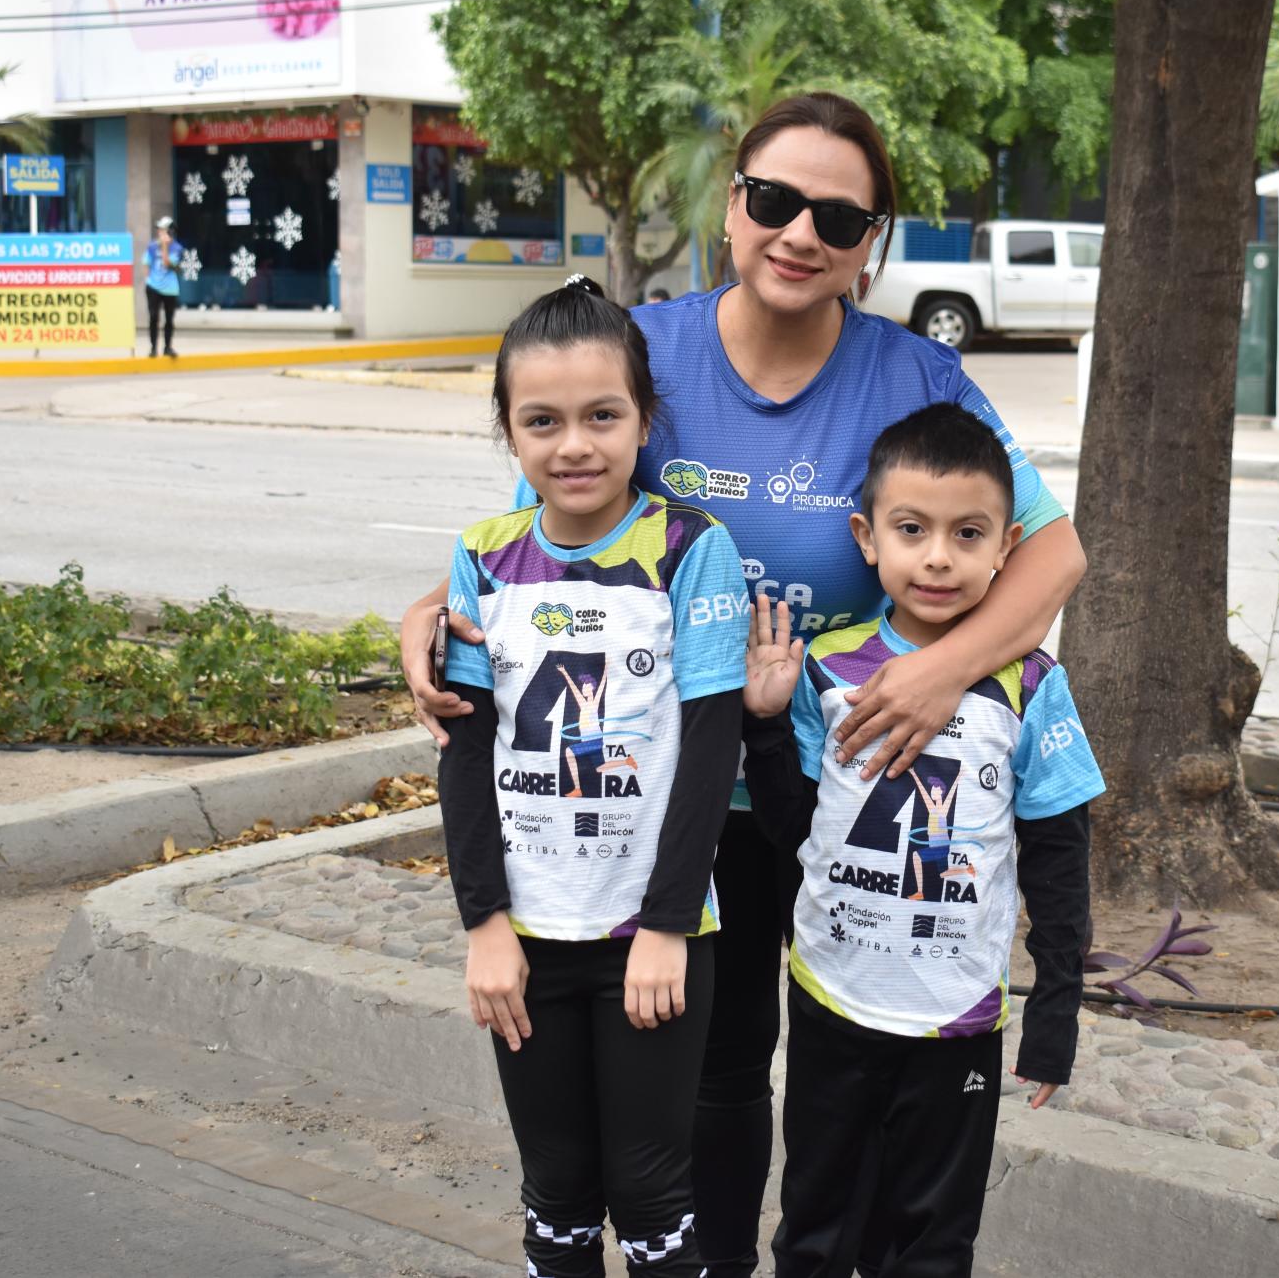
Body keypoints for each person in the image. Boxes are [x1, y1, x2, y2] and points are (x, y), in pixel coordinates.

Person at [402, 92, 1087, 1276]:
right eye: (773, 200)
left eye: (837, 214)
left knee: (842, 1079)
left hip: (847, 783)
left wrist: (937, 674)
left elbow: (1053, 549)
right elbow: (538, 532)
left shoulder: (917, 375)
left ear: (869, 240)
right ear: (732, 204)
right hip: (684, 794)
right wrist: (425, 611)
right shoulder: (643, 350)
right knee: (717, 1073)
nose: (798, 233)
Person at [742, 403, 1102, 1277]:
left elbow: (1060, 859)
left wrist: (1056, 1010)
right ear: (868, 537)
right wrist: (761, 723)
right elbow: (794, 832)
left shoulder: (1031, 686)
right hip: (833, 1000)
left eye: (967, 532)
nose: (938, 555)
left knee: (932, 1245)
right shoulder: (826, 668)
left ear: (1006, 546)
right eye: (912, 528)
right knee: (817, 1230)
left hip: (957, 1020)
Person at [436, 274, 750, 1277]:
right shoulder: (483, 559)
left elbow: (709, 754)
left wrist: (663, 927)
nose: (574, 443)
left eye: (601, 415)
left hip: (648, 937)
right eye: (543, 420)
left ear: (643, 420)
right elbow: (464, 754)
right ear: (508, 432)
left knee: (653, 1193)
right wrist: (483, 925)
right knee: (557, 1190)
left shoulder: (690, 551)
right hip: (523, 936)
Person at [143, 217, 182, 357]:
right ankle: (153, 348)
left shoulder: (176, 248)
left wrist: (165, 246)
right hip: (153, 286)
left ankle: (168, 347)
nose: (159, 232)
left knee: (169, 319)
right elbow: (146, 262)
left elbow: (167, 263)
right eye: (159, 230)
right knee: (153, 317)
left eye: (163, 230)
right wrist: (148, 279)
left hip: (170, 288)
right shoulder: (152, 246)